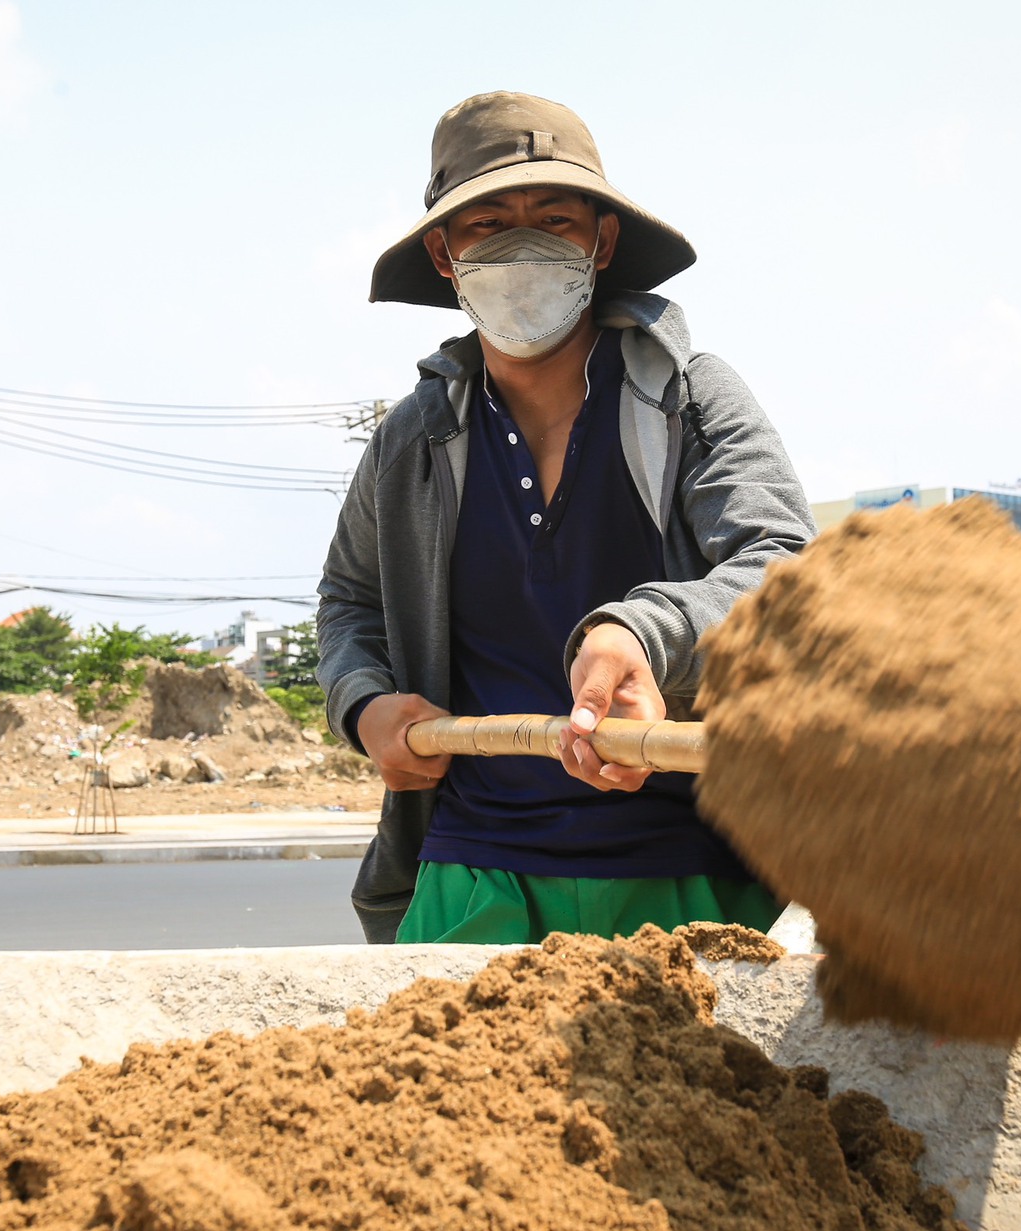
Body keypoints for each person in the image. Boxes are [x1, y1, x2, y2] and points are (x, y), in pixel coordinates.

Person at [316, 91, 815, 946]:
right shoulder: (412, 440)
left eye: (553, 217)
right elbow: (350, 600)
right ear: (443, 254)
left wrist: (644, 631)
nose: (523, 245)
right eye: (486, 226)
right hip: (473, 875)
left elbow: (786, 570)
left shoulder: (690, 399)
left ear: (602, 240)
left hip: (693, 871)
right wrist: (363, 705)